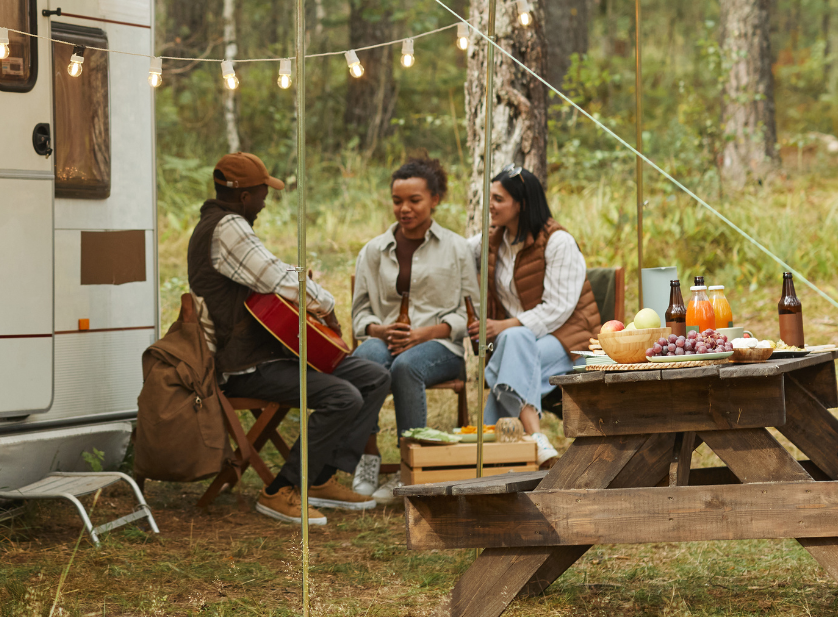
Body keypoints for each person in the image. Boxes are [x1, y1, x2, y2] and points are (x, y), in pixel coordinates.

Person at [187, 153, 390, 525]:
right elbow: (278, 278)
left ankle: (320, 478)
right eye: (264, 192)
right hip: (243, 365)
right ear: (246, 195)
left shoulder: (221, 223)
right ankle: (281, 488)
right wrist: (326, 305)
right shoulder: (228, 226)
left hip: (265, 353)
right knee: (343, 395)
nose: (266, 201)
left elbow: (274, 276)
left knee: (374, 376)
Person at [349, 156, 478, 500]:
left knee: (407, 367)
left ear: (434, 200)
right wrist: (379, 330)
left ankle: (411, 469)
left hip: (441, 347)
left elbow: (471, 316)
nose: (404, 209)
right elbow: (359, 314)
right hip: (386, 340)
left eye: (414, 200)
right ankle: (368, 457)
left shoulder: (457, 248)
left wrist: (425, 333)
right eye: (397, 201)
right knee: (364, 362)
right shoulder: (373, 251)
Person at [466, 167, 602, 466]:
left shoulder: (558, 242)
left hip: (570, 337)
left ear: (522, 203)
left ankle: (490, 450)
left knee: (512, 350)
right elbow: (456, 255)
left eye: (498, 199)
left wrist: (504, 326)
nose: (489, 205)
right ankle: (535, 438)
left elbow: (557, 309)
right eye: (489, 197)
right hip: (517, 341)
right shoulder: (492, 240)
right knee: (515, 344)